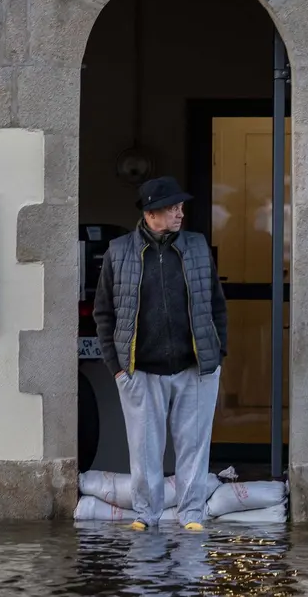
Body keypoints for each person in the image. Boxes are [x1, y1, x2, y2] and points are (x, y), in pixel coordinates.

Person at [93, 176, 228, 531]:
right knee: (144, 450)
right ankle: (145, 514)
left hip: (195, 367)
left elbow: (216, 305)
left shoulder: (197, 247)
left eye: (181, 207)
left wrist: (218, 354)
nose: (180, 213)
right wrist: (117, 368)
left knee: (195, 448)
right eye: (173, 207)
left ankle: (192, 514)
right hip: (140, 370)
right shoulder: (119, 250)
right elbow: (103, 313)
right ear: (151, 212)